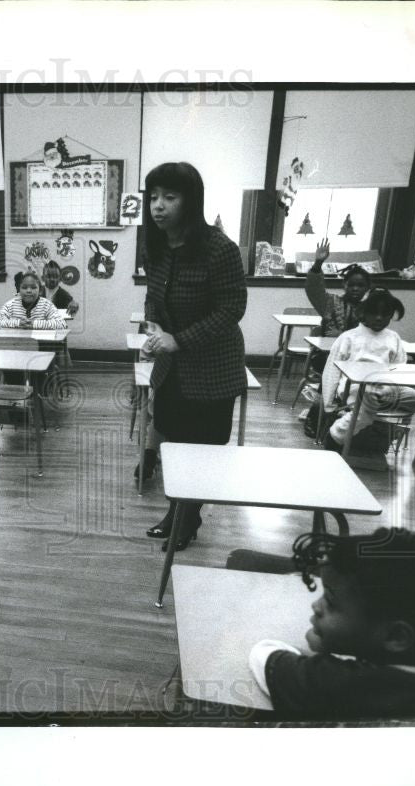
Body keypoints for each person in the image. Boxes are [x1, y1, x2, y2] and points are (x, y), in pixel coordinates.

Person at [248, 527, 415, 718]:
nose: (316, 606)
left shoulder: (355, 685)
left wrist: (315, 654)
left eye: (331, 602)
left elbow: (267, 657)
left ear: (396, 637)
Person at [139, 162, 248, 550]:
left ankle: (187, 519)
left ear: (191, 200)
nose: (158, 205)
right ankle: (176, 512)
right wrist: (153, 329)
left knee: (200, 450)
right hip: (172, 370)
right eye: (153, 197)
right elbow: (154, 296)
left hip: (212, 368)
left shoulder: (219, 248)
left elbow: (232, 308)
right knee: (173, 443)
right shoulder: (157, 246)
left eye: (170, 196)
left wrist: (179, 340)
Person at [321, 287, 415, 476]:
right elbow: (331, 371)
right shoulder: (348, 338)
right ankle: (335, 437)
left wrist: (393, 388)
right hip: (357, 389)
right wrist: (328, 404)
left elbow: (399, 369)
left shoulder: (393, 338)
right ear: (362, 313)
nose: (380, 318)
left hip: (390, 389)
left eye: (386, 315)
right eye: (375, 313)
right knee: (367, 405)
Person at [301, 239, 373, 436]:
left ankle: (357, 422)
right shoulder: (331, 303)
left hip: (359, 359)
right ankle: (316, 419)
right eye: (352, 285)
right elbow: (313, 290)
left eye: (361, 285)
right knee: (330, 379)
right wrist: (317, 264)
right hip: (328, 358)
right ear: (345, 285)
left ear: (368, 288)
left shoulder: (373, 310)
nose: (356, 289)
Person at [0, 272, 68, 329]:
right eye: (24, 288)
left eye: (33, 287)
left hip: (41, 345)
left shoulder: (47, 305)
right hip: (17, 344)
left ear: (40, 290)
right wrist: (18, 323)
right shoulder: (11, 305)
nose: (28, 291)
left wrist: (34, 324)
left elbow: (61, 324)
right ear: (19, 290)